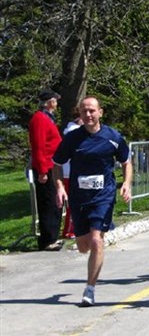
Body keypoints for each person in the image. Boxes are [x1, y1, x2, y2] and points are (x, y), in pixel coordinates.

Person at [52, 96, 132, 307]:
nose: (88, 115)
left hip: (103, 196)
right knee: (83, 246)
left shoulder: (113, 136)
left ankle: (90, 289)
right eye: (84, 111)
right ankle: (91, 267)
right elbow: (57, 164)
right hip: (79, 197)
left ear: (100, 112)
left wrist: (127, 184)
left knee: (97, 240)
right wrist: (60, 187)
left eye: (92, 111)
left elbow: (126, 161)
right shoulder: (72, 138)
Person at [29, 89, 64, 251]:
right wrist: (42, 170)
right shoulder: (39, 119)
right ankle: (47, 240)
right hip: (46, 167)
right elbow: (39, 146)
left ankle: (53, 236)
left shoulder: (48, 118)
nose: (56, 104)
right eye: (55, 101)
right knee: (48, 202)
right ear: (49, 102)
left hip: (54, 166)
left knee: (55, 201)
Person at [61, 106, 84, 239]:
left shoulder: (73, 130)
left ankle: (76, 227)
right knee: (73, 202)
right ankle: (69, 230)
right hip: (70, 172)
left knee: (78, 201)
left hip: (75, 171)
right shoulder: (73, 131)